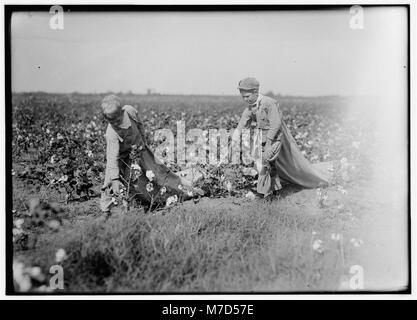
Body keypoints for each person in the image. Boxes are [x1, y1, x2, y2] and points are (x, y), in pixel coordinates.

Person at [100, 94, 200, 216]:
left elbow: (140, 125)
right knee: (110, 181)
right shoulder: (111, 133)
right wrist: (115, 179)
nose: (115, 123)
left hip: (138, 150)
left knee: (156, 172)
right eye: (111, 121)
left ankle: (181, 187)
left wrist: (143, 143)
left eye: (117, 119)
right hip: (120, 157)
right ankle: (106, 210)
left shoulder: (130, 111)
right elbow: (112, 158)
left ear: (122, 112)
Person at [232, 77, 330, 197]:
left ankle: (262, 194)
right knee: (268, 165)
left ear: (255, 92)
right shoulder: (251, 106)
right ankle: (275, 190)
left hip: (273, 139)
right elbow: (243, 121)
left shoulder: (269, 103)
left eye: (247, 96)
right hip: (261, 139)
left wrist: (268, 142)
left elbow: (276, 124)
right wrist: (236, 136)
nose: (245, 99)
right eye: (243, 97)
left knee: (263, 163)